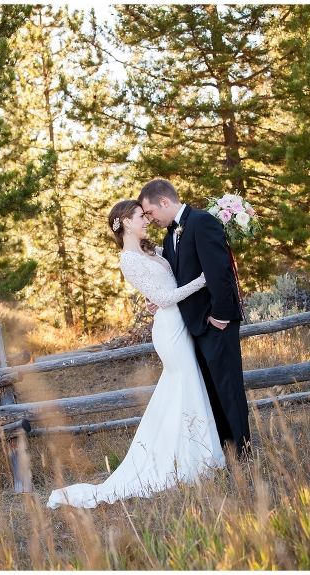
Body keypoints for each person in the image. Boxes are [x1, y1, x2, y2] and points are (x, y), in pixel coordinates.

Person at [48, 200, 225, 510]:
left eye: (146, 215)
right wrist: (201, 282)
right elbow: (162, 298)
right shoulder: (128, 259)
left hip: (180, 323)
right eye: (141, 217)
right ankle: (189, 460)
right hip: (169, 329)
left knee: (184, 387)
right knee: (184, 382)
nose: (147, 220)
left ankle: (195, 454)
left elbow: (166, 285)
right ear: (125, 223)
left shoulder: (152, 252)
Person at [139, 179, 250, 458]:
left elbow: (220, 272)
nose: (150, 220)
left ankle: (243, 453)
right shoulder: (170, 235)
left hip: (215, 322)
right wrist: (159, 298)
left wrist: (221, 318)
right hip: (194, 326)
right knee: (211, 389)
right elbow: (178, 277)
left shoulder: (202, 222)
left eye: (150, 212)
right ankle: (226, 451)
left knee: (228, 387)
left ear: (164, 202)